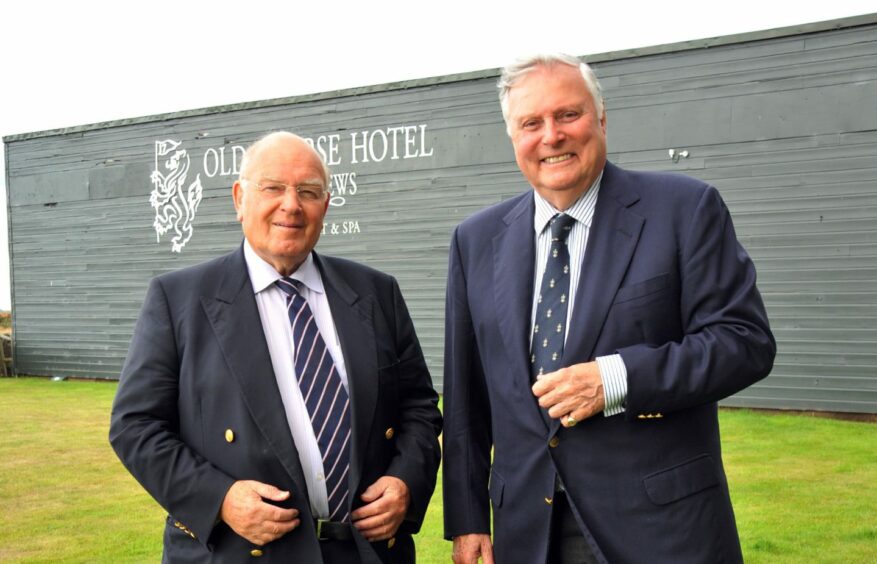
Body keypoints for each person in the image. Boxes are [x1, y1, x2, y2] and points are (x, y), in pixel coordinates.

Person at [442, 54, 776, 564]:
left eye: (568, 115)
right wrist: (467, 520)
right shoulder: (476, 240)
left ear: (601, 119)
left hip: (664, 531)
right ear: (513, 137)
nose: (551, 135)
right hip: (528, 533)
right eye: (531, 123)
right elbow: (466, 398)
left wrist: (614, 379)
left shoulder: (684, 209)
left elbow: (743, 342)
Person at [110, 131, 442, 563]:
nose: (291, 205)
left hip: (365, 551)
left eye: (308, 191)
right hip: (240, 552)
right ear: (239, 198)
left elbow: (418, 406)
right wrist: (222, 499)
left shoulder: (376, 292)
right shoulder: (179, 300)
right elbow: (135, 425)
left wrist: (404, 484)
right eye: (273, 188)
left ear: (324, 205)